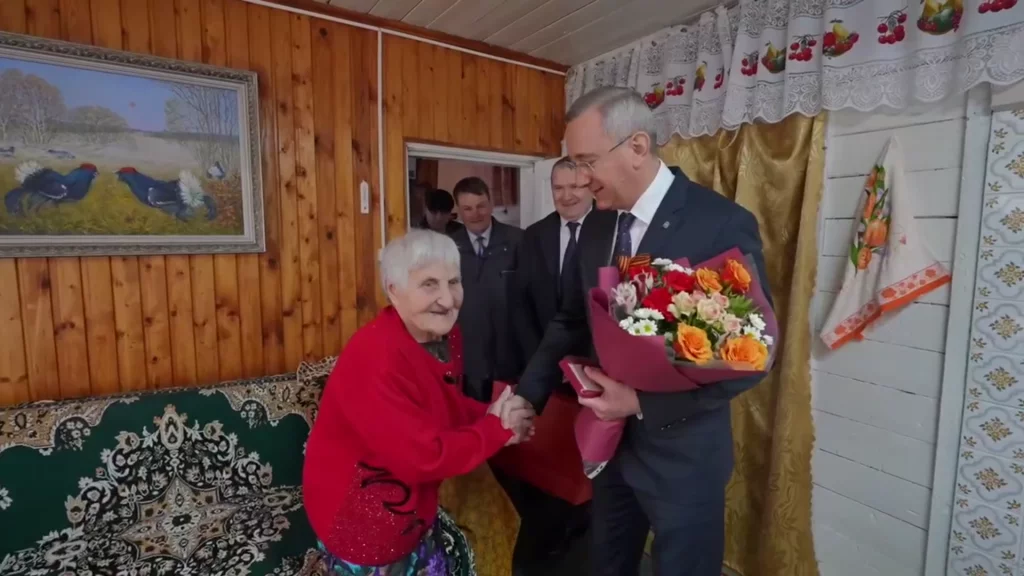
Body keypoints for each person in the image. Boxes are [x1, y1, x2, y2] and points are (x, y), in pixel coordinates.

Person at [508, 87, 772, 576]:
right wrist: (528, 395)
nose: (580, 180)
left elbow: (750, 353)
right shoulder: (596, 228)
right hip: (608, 449)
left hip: (683, 458)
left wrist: (641, 402)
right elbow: (571, 319)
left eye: (587, 162)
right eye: (574, 164)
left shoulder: (718, 224)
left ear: (636, 146)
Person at [303, 229, 535, 576]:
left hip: (414, 503)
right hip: (362, 515)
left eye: (453, 282)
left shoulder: (443, 335)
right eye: (429, 284)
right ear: (393, 291)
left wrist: (491, 414)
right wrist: (496, 429)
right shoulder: (376, 356)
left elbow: (442, 403)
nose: (448, 299)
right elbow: (423, 456)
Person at [498, 157, 613, 576]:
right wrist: (542, 363)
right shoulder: (534, 236)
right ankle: (553, 537)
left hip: (602, 372)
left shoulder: (613, 229)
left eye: (575, 187)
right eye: (558, 188)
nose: (566, 196)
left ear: (590, 188)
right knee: (554, 459)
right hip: (546, 365)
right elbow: (520, 304)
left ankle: (586, 535)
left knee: (594, 463)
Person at [449, 176, 523, 402]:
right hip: (469, 354)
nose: (475, 214)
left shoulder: (518, 240)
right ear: (458, 211)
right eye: (467, 208)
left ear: (491, 204)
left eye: (481, 206)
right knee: (473, 414)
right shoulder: (448, 246)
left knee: (512, 415)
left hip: (511, 352)